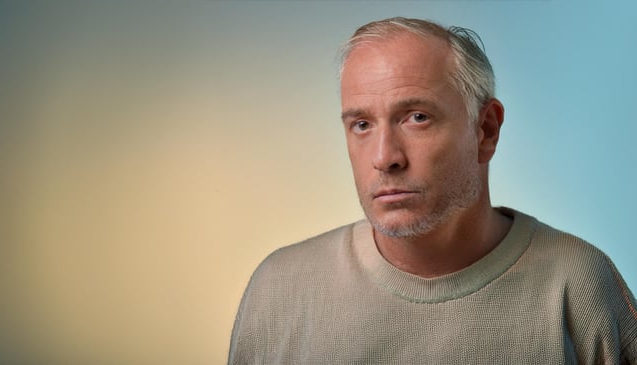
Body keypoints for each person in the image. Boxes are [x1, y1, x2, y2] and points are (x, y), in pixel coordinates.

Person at [228, 17, 637, 364]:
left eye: (417, 117)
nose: (385, 157)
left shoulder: (580, 282)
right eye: (362, 125)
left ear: (486, 130)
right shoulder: (280, 289)